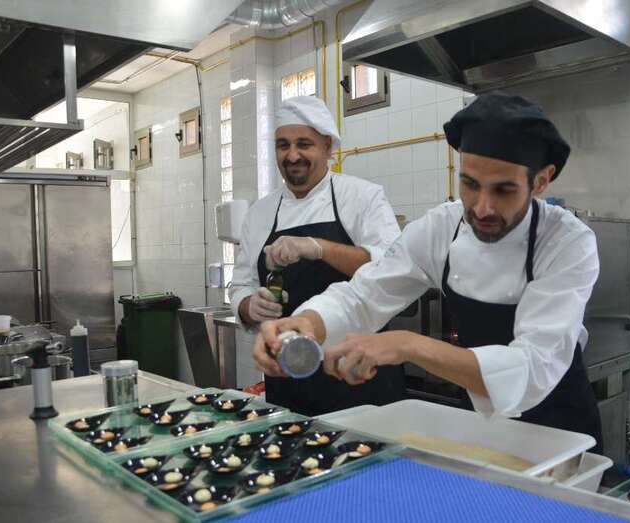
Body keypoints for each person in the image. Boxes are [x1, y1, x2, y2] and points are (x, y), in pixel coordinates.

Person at [254, 92, 604, 452]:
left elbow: (532, 370)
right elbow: (364, 295)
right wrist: (308, 322)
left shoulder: (566, 242)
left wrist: (407, 345)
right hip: (483, 424)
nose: (482, 207)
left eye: (503, 190)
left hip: (561, 432)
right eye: (469, 184)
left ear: (541, 182)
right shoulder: (443, 227)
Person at [229, 95, 406, 416]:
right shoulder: (259, 213)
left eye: (304, 144)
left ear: (327, 146)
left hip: (357, 372)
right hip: (286, 377)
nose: (292, 155)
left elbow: (391, 268)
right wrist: (249, 306)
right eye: (283, 145)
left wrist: (320, 247)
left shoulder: (363, 196)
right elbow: (240, 285)